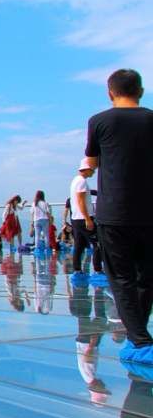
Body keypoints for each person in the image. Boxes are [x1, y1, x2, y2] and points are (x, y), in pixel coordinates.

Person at [84, 69, 153, 364]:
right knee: (147, 276)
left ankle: (140, 338)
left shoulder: (99, 121)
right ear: (141, 90)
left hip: (114, 212)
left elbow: (92, 162)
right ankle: (140, 335)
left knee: (121, 278)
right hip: (149, 211)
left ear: (110, 92)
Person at [70, 160, 102, 275]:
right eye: (92, 170)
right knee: (97, 243)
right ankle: (98, 270)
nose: (93, 172)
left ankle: (77, 270)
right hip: (84, 219)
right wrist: (88, 219)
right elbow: (81, 201)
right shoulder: (82, 182)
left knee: (79, 245)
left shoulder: (75, 180)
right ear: (87, 169)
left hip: (76, 219)